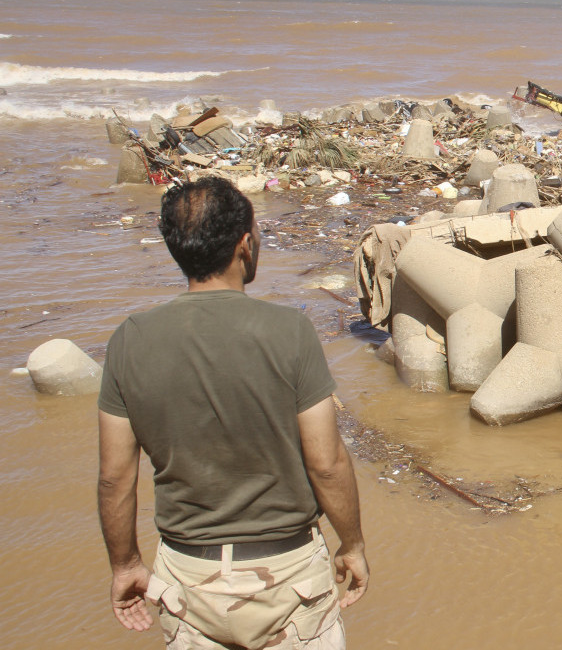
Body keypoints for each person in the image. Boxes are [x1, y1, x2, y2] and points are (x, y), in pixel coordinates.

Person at [98, 176, 369, 649]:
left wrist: (124, 564)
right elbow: (326, 463)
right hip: (288, 577)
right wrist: (352, 545)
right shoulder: (290, 332)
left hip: (188, 578)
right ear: (245, 246)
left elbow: (115, 479)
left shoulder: (130, 340)